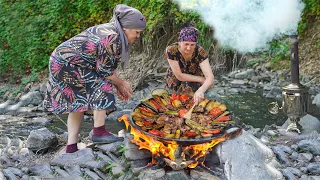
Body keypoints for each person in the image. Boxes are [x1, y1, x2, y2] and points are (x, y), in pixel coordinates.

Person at [43, 4, 146, 153]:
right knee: (102, 84)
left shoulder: (110, 30)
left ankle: (71, 147)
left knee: (77, 103)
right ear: (127, 28)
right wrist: (121, 83)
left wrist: (118, 84)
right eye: (137, 32)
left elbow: (105, 66)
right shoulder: (112, 37)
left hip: (60, 61)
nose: (138, 36)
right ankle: (99, 131)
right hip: (67, 64)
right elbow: (104, 71)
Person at [164, 25, 214, 105]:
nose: (188, 48)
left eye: (192, 45)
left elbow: (210, 77)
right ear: (180, 42)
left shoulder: (200, 52)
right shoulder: (171, 50)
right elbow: (179, 76)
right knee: (173, 99)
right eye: (186, 44)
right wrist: (201, 79)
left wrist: (201, 90)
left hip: (194, 74)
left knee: (189, 91)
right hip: (176, 76)